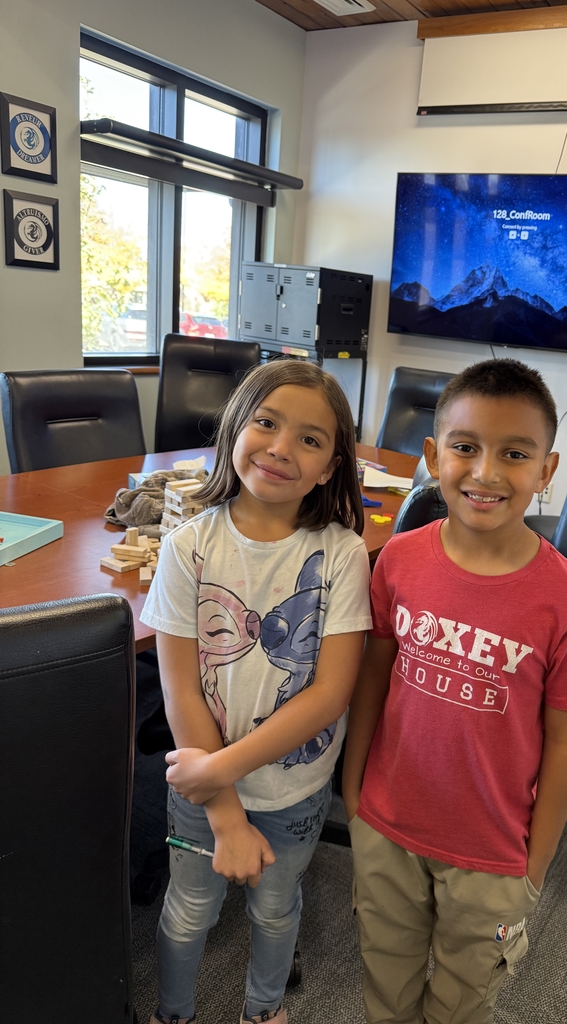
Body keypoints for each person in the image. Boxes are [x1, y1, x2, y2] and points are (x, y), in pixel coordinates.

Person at [342, 358, 567, 1024]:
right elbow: (374, 673)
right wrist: (353, 788)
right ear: (433, 456)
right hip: (387, 826)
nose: (485, 472)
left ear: (546, 471)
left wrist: (535, 866)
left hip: (492, 854)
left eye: (514, 454)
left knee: (461, 1004)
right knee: (386, 989)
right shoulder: (399, 559)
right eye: (465, 447)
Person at [140, 359, 372, 1024]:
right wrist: (223, 808)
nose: (280, 447)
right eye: (267, 423)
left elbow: (330, 695)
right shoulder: (188, 546)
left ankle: (263, 1013)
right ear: (236, 428)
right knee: (188, 913)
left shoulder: (344, 554)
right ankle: (172, 1015)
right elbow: (179, 687)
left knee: (277, 907)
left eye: (310, 438)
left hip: (292, 793)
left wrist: (218, 771)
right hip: (203, 794)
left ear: (330, 466)